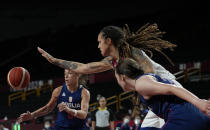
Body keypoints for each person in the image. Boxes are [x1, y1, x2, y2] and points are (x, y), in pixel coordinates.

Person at [37, 23, 180, 129]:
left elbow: (153, 77)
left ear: (108, 40)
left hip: (167, 90)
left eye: (100, 42)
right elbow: (84, 68)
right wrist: (53, 60)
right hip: (155, 100)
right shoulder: (112, 61)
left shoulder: (134, 53)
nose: (98, 46)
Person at [114, 58, 210, 130]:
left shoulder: (140, 84)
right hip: (193, 114)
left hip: (183, 118)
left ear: (122, 77)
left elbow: (172, 88)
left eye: (116, 78)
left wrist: (198, 102)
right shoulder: (145, 79)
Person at [17, 69, 90, 130]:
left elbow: (83, 114)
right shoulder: (58, 91)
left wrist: (68, 110)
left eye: (69, 73)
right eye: (65, 73)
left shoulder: (84, 92)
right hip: (60, 127)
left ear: (78, 75)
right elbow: (48, 108)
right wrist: (32, 115)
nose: (66, 76)